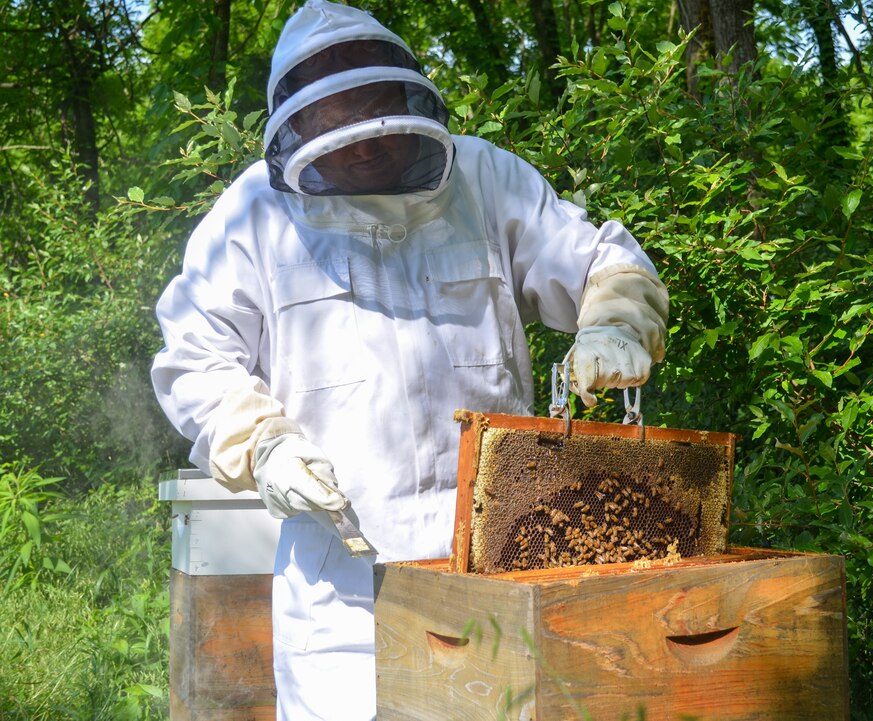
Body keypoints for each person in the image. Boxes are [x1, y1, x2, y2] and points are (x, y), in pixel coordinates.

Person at [150, 1, 668, 719]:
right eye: (338, 129)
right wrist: (260, 441)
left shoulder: (484, 180)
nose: (362, 148)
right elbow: (194, 354)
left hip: (499, 564)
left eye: (374, 119)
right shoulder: (252, 218)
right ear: (297, 128)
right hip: (341, 591)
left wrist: (614, 319)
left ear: (406, 99)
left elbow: (600, 262)